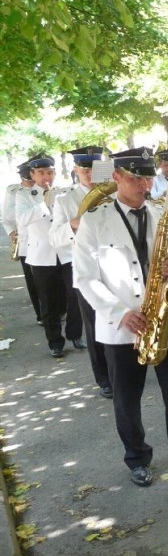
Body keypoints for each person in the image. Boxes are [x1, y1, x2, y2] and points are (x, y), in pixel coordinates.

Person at [73, 146, 168, 491]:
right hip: (122, 326)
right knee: (126, 399)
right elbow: (85, 279)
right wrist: (120, 314)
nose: (144, 185)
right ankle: (136, 458)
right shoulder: (94, 220)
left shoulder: (164, 214)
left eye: (147, 177)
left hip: (166, 323)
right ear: (116, 176)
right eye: (136, 177)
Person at [50, 146, 112, 397]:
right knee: (95, 326)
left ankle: (125, 369)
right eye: (84, 169)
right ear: (76, 170)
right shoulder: (65, 199)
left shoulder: (113, 193)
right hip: (87, 270)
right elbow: (55, 237)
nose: (89, 174)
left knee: (123, 320)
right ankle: (105, 379)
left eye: (94, 169)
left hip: (117, 267)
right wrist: (75, 223)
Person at [16, 153, 84, 358]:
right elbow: (22, 220)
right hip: (42, 255)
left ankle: (75, 334)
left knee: (76, 294)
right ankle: (55, 341)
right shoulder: (24, 195)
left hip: (67, 252)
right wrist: (44, 204)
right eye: (42, 173)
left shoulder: (64, 193)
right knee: (48, 302)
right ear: (33, 175)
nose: (47, 177)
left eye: (50, 172)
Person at [3, 158, 42, 324]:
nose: (30, 182)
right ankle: (41, 314)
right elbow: (7, 217)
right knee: (32, 280)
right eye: (27, 179)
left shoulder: (45, 189)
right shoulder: (14, 192)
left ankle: (56, 309)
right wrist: (11, 232)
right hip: (25, 241)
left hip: (46, 240)